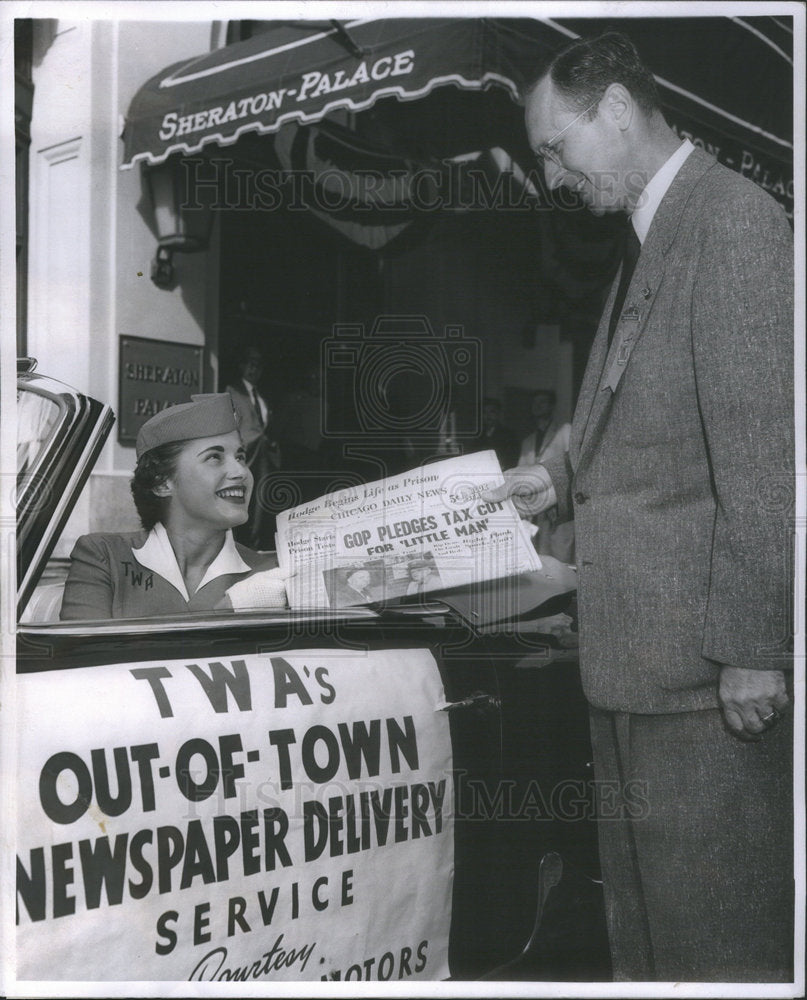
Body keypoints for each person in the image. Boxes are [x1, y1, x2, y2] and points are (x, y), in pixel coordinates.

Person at [496, 32, 794, 982]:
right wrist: (550, 471)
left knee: (714, 948)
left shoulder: (734, 223)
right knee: (645, 940)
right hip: (635, 664)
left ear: (617, 111)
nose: (548, 176)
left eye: (553, 147)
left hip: (705, 680)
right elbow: (630, 404)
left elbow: (763, 457)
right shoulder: (652, 231)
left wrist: (753, 649)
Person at [60, 394, 283, 620]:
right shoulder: (104, 557)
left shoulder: (270, 574)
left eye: (241, 456)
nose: (241, 472)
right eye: (215, 457)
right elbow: (83, 653)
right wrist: (228, 609)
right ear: (162, 483)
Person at [226, 344, 281, 550]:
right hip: (245, 459)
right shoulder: (232, 392)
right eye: (250, 364)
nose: (254, 369)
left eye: (258, 365)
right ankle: (241, 548)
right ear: (242, 366)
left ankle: (255, 547)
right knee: (241, 505)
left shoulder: (263, 397)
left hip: (265, 462)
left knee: (260, 507)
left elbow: (266, 428)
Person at [518, 390, 575, 563]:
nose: (538, 406)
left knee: (561, 557)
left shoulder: (566, 431)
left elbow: (574, 465)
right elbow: (521, 473)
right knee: (540, 559)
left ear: (552, 406)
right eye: (535, 403)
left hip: (560, 509)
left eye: (543, 402)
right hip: (536, 509)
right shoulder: (528, 441)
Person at [466, 397, 520, 471]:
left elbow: (512, 460)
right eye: (484, 412)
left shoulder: (508, 435)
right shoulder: (478, 436)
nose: (488, 416)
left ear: (499, 413)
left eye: (492, 412)